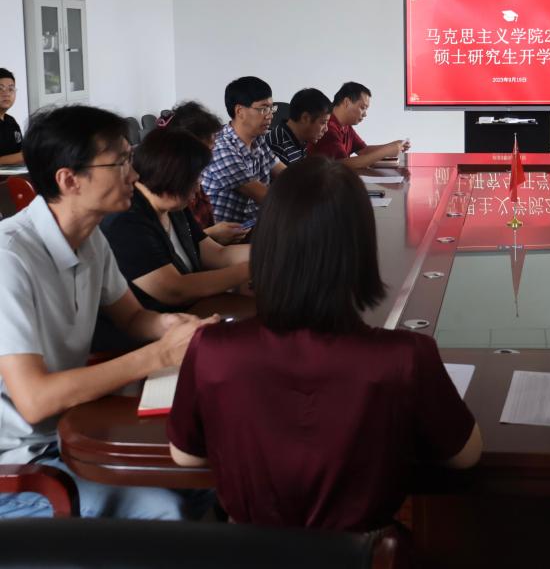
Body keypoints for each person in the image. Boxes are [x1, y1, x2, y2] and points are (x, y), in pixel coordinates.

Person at [168, 157, 482, 530]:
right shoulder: (405, 357)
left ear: (266, 245)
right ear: (361, 250)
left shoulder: (212, 349)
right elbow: (464, 455)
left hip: (249, 550)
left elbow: (186, 456)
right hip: (364, 551)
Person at [0, 105, 214, 519]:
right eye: (120, 163)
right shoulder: (10, 259)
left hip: (70, 432)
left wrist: (174, 325)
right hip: (23, 465)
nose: (134, 175)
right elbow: (35, 399)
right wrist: (159, 354)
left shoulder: (91, 239)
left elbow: (132, 317)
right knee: (166, 509)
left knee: (200, 478)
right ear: (69, 180)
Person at [101, 128, 250, 314]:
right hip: (160, 323)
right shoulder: (126, 221)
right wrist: (251, 269)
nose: (199, 186)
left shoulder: (174, 207)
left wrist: (270, 254)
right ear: (174, 177)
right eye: (195, 178)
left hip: (194, 312)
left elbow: (218, 255)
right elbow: (174, 289)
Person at [201, 76, 285, 224]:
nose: (270, 115)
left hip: (252, 226)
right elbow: (264, 196)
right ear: (240, 111)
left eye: (271, 108)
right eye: (263, 108)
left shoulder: (258, 139)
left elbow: (286, 174)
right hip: (225, 234)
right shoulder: (222, 147)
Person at [162, 101, 248, 246]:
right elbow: (175, 244)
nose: (214, 148)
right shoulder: (173, 186)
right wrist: (213, 234)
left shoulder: (195, 176)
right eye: (209, 144)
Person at [309, 82, 409, 169]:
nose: (365, 114)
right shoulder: (328, 127)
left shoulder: (345, 125)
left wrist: (392, 146)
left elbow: (363, 150)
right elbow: (343, 164)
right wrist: (385, 152)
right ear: (347, 102)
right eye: (362, 107)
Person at [268, 88, 331, 165]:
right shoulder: (279, 147)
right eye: (323, 122)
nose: (326, 129)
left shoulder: (302, 139)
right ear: (305, 118)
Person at [0, 68, 24, 166]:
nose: (6, 94)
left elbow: (20, 151)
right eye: (0, 89)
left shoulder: (11, 122)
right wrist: (28, 154)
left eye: (11, 89)